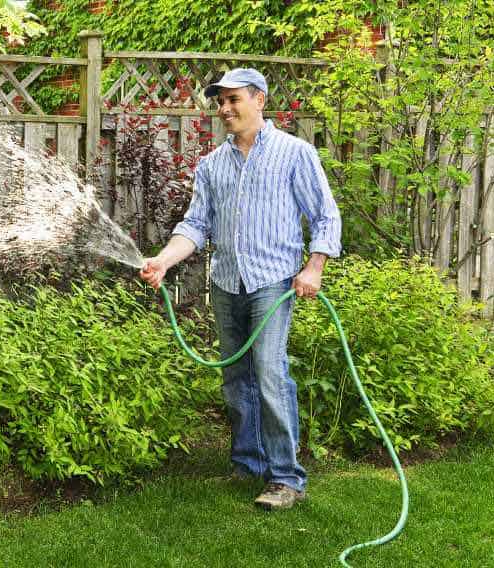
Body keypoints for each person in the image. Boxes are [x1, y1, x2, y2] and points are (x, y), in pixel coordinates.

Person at [139, 68, 341, 510]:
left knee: (269, 372)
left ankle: (286, 477)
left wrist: (314, 267)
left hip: (273, 283)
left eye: (233, 100)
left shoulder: (294, 154)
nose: (225, 109)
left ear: (259, 100)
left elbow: (325, 216)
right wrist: (164, 260)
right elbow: (195, 225)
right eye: (221, 102)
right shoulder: (211, 165)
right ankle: (247, 464)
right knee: (236, 378)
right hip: (227, 282)